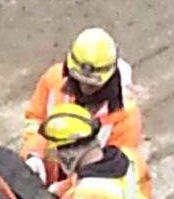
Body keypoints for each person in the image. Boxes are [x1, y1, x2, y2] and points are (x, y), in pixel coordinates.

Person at [24, 32, 148, 175]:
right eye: (78, 80)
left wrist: (62, 190)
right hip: (47, 177)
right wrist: (34, 154)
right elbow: (34, 120)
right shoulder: (53, 80)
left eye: (91, 85)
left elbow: (111, 172)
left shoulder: (125, 116)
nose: (83, 88)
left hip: (85, 188)